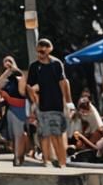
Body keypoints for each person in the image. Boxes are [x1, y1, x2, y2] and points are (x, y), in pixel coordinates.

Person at [23, 38, 71, 168]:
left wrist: (68, 102)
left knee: (57, 135)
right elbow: (29, 86)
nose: (40, 54)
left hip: (56, 104)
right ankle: (46, 160)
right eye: (38, 51)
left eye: (43, 52)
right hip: (42, 106)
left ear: (49, 50)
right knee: (44, 134)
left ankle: (62, 162)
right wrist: (34, 99)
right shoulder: (34, 66)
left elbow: (63, 82)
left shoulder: (56, 64)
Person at [0, 55, 30, 165]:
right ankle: (18, 156)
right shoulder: (7, 79)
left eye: (10, 61)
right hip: (10, 109)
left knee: (19, 134)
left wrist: (14, 70)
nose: (7, 63)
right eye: (5, 61)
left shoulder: (20, 77)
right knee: (12, 136)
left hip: (20, 109)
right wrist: (8, 71)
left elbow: (22, 92)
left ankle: (17, 157)